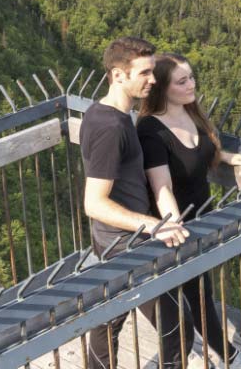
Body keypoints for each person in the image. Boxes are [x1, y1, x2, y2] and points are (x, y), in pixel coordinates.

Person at [137, 53, 241, 369]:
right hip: (174, 228)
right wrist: (175, 228)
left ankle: (215, 352)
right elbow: (161, 185)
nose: (191, 85)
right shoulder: (151, 130)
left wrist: (226, 157)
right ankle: (227, 355)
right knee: (193, 298)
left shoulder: (192, 115)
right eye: (182, 81)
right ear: (162, 88)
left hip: (200, 220)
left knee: (198, 294)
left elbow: (202, 151)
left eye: (192, 77)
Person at [79, 37, 194, 369]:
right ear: (118, 75)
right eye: (144, 72)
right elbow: (94, 203)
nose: (153, 80)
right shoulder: (110, 127)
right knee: (177, 330)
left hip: (114, 240)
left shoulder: (106, 114)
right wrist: (154, 227)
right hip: (126, 246)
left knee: (108, 321)